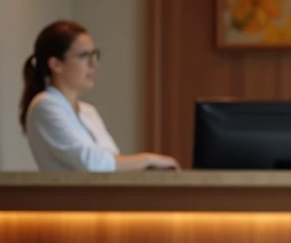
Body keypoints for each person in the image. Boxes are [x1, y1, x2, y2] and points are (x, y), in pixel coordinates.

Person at [19, 20, 179, 171]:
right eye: (83, 56)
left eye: (94, 55)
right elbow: (92, 163)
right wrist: (147, 159)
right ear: (56, 64)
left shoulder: (88, 111)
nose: (94, 64)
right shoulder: (44, 106)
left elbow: (111, 162)